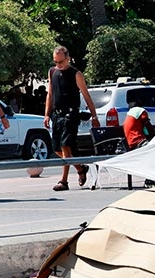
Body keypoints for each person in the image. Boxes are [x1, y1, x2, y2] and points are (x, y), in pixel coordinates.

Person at [44, 46, 99, 192]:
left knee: (65, 146)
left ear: (68, 59)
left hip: (71, 114)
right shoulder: (52, 72)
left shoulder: (76, 74)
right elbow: (50, 93)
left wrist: (94, 116)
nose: (58, 65)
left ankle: (64, 181)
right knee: (56, 148)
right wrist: (47, 114)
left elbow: (86, 96)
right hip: (57, 114)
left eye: (61, 62)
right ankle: (81, 168)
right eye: (56, 62)